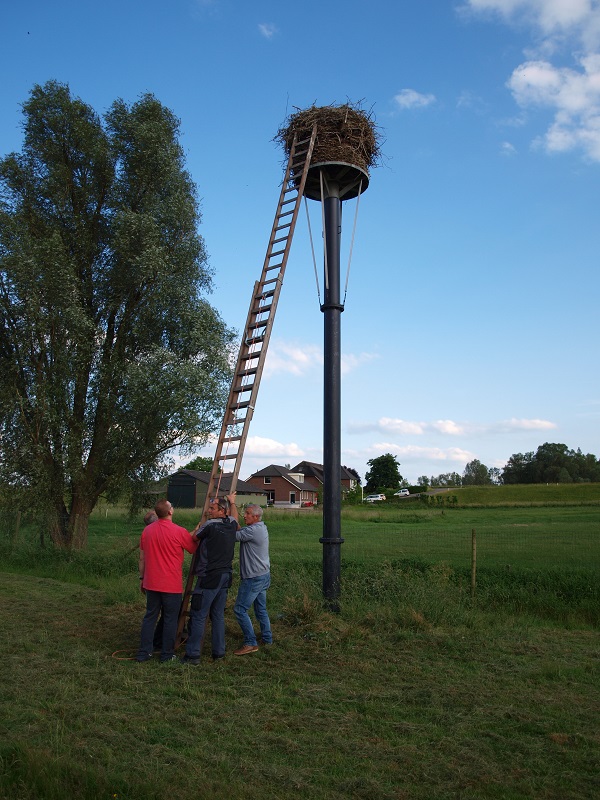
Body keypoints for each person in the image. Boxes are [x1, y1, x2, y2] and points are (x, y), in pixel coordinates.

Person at [136, 499, 197, 663]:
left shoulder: (147, 531)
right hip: (171, 585)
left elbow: (142, 558)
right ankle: (167, 654)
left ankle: (144, 652)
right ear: (170, 512)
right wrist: (197, 533)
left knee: (150, 617)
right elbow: (192, 548)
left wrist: (142, 579)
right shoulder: (179, 531)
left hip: (151, 583)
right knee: (170, 619)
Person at [181, 497, 238, 665]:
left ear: (222, 510)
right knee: (218, 615)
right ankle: (218, 652)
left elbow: (193, 539)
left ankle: (192, 655)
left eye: (212, 508)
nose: (209, 511)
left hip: (209, 577)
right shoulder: (232, 524)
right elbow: (235, 516)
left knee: (198, 615)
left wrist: (196, 528)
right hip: (225, 576)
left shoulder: (210, 525)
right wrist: (232, 501)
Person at [227, 493, 272, 655]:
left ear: (256, 516)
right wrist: (233, 506)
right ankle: (267, 638)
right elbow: (239, 528)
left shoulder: (252, 532)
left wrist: (232, 504)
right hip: (263, 575)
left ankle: (250, 643)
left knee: (240, 609)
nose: (244, 516)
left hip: (253, 578)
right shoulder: (259, 527)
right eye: (244, 513)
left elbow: (233, 531)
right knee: (261, 609)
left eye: (247, 514)